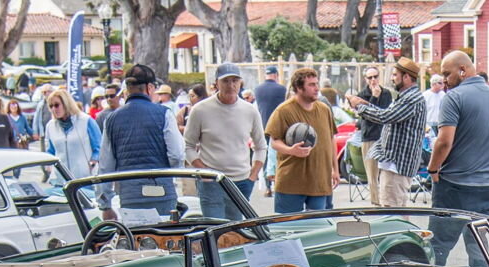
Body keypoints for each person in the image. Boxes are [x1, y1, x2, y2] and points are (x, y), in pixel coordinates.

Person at [422, 51, 489, 264]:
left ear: (462, 70)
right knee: (478, 244)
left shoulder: (454, 98)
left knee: (438, 245)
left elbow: (444, 141)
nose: (444, 80)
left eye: (447, 74)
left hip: (455, 184)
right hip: (487, 185)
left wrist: (433, 169)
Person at [98, 63, 187, 224]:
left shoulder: (111, 119)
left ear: (127, 88)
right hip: (161, 191)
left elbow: (105, 165)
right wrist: (171, 175)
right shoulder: (164, 114)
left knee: (135, 238)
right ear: (149, 87)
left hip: (129, 194)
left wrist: (105, 204)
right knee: (165, 237)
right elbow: (177, 154)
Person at [182, 62, 263, 217]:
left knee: (237, 228)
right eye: (225, 81)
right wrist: (204, 170)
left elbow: (261, 146)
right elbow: (188, 146)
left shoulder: (250, 111)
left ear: (240, 83)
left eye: (235, 80)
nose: (231, 85)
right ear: (216, 83)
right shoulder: (200, 110)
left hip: (241, 181)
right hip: (211, 181)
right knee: (215, 227)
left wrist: (253, 175)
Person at [347, 57, 428, 207]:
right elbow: (387, 114)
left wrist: (359, 106)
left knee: (392, 211)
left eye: (395, 75)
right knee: (396, 210)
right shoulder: (406, 96)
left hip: (397, 167)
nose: (392, 78)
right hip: (394, 165)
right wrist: (364, 104)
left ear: (406, 77)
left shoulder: (410, 99)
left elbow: (385, 117)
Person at [265, 67, 338, 214]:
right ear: (299, 88)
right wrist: (291, 150)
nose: (317, 88)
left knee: (317, 226)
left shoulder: (324, 109)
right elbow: (274, 142)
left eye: (317, 84)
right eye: (311, 85)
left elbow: (331, 139)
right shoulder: (283, 110)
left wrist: (335, 170)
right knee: (288, 227)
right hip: (291, 183)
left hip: (319, 182)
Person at [41, 88, 101, 193]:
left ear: (66, 103)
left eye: (57, 105)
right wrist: (48, 165)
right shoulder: (50, 126)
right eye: (51, 106)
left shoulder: (86, 121)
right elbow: (50, 151)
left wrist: (92, 162)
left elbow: (99, 147)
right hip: (60, 181)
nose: (54, 109)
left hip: (84, 180)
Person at [352, 67, 391, 180]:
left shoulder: (386, 93)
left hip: (384, 137)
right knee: (372, 175)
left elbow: (385, 114)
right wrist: (374, 97)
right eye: (370, 77)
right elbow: (366, 115)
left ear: (379, 77)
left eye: (375, 76)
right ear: (366, 79)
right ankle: (374, 193)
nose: (373, 80)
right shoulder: (361, 95)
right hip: (369, 136)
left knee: (385, 174)